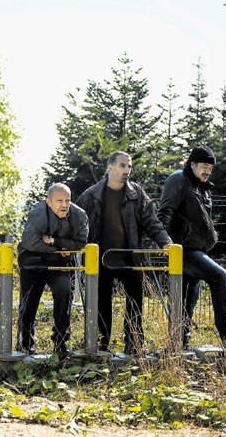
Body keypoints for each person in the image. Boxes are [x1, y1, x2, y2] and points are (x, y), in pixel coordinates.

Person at [76, 151, 172, 355]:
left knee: (136, 299)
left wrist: (164, 241)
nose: (127, 170)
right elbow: (77, 222)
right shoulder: (91, 195)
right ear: (110, 168)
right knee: (102, 300)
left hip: (129, 256)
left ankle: (134, 343)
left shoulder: (137, 194)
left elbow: (151, 221)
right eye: (122, 166)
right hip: (101, 257)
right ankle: (101, 344)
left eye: (129, 166)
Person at [158, 145, 226, 347]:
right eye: (205, 166)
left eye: (211, 167)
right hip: (182, 250)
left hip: (197, 248)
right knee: (220, 276)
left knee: (186, 302)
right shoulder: (178, 180)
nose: (208, 171)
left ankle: (179, 345)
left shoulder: (202, 187)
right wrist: (163, 241)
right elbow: (165, 211)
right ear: (192, 164)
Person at [17, 183, 88, 359]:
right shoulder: (38, 213)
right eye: (59, 201)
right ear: (48, 202)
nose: (64, 205)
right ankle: (25, 345)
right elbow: (30, 242)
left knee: (64, 294)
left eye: (67, 200)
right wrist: (58, 248)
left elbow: (80, 243)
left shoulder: (79, 215)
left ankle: (61, 342)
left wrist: (54, 241)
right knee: (28, 304)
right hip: (33, 262)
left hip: (60, 264)